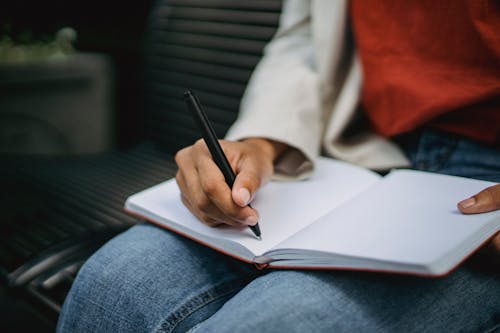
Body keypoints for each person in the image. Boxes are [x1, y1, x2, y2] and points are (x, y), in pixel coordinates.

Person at [57, 1, 500, 332]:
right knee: (112, 283)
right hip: (360, 148)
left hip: (487, 178)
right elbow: (306, 40)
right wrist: (263, 142)